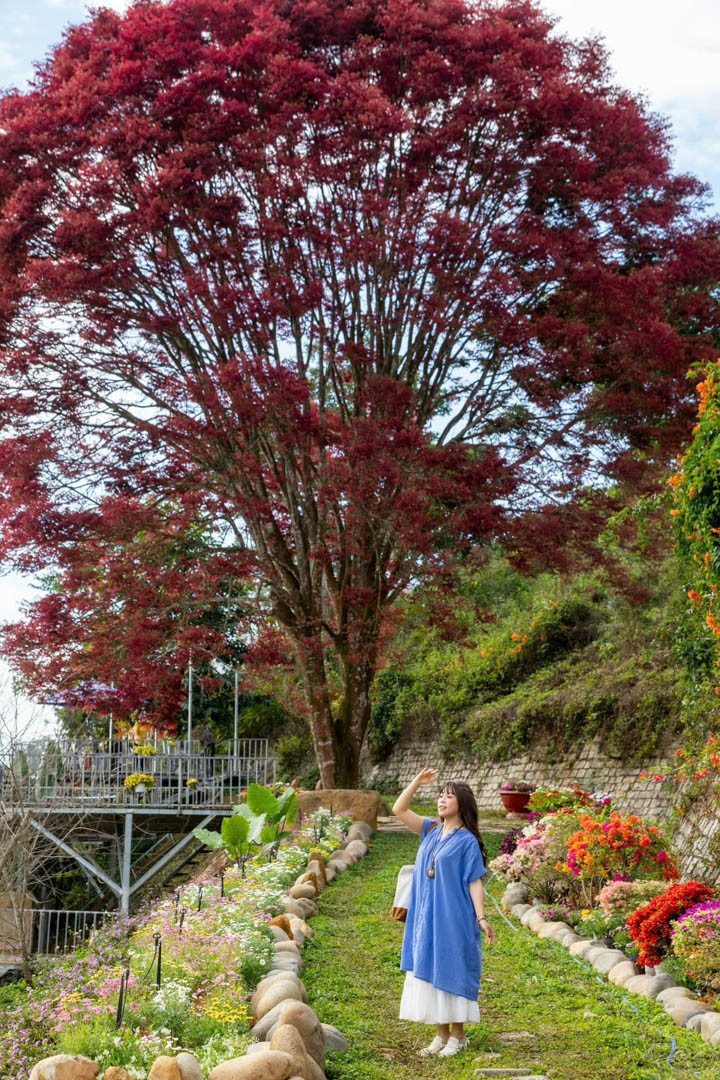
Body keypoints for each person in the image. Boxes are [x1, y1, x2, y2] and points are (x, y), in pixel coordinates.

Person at [392, 767, 496, 1058]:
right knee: (431, 968)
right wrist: (416, 781)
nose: (441, 801)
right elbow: (399, 809)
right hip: (426, 916)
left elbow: (474, 881)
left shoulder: (468, 842)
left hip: (454, 916)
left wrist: (482, 918)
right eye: (439, 796)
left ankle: (458, 1036)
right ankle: (440, 1035)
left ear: (461, 803)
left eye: (448, 797)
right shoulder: (430, 829)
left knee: (453, 968)